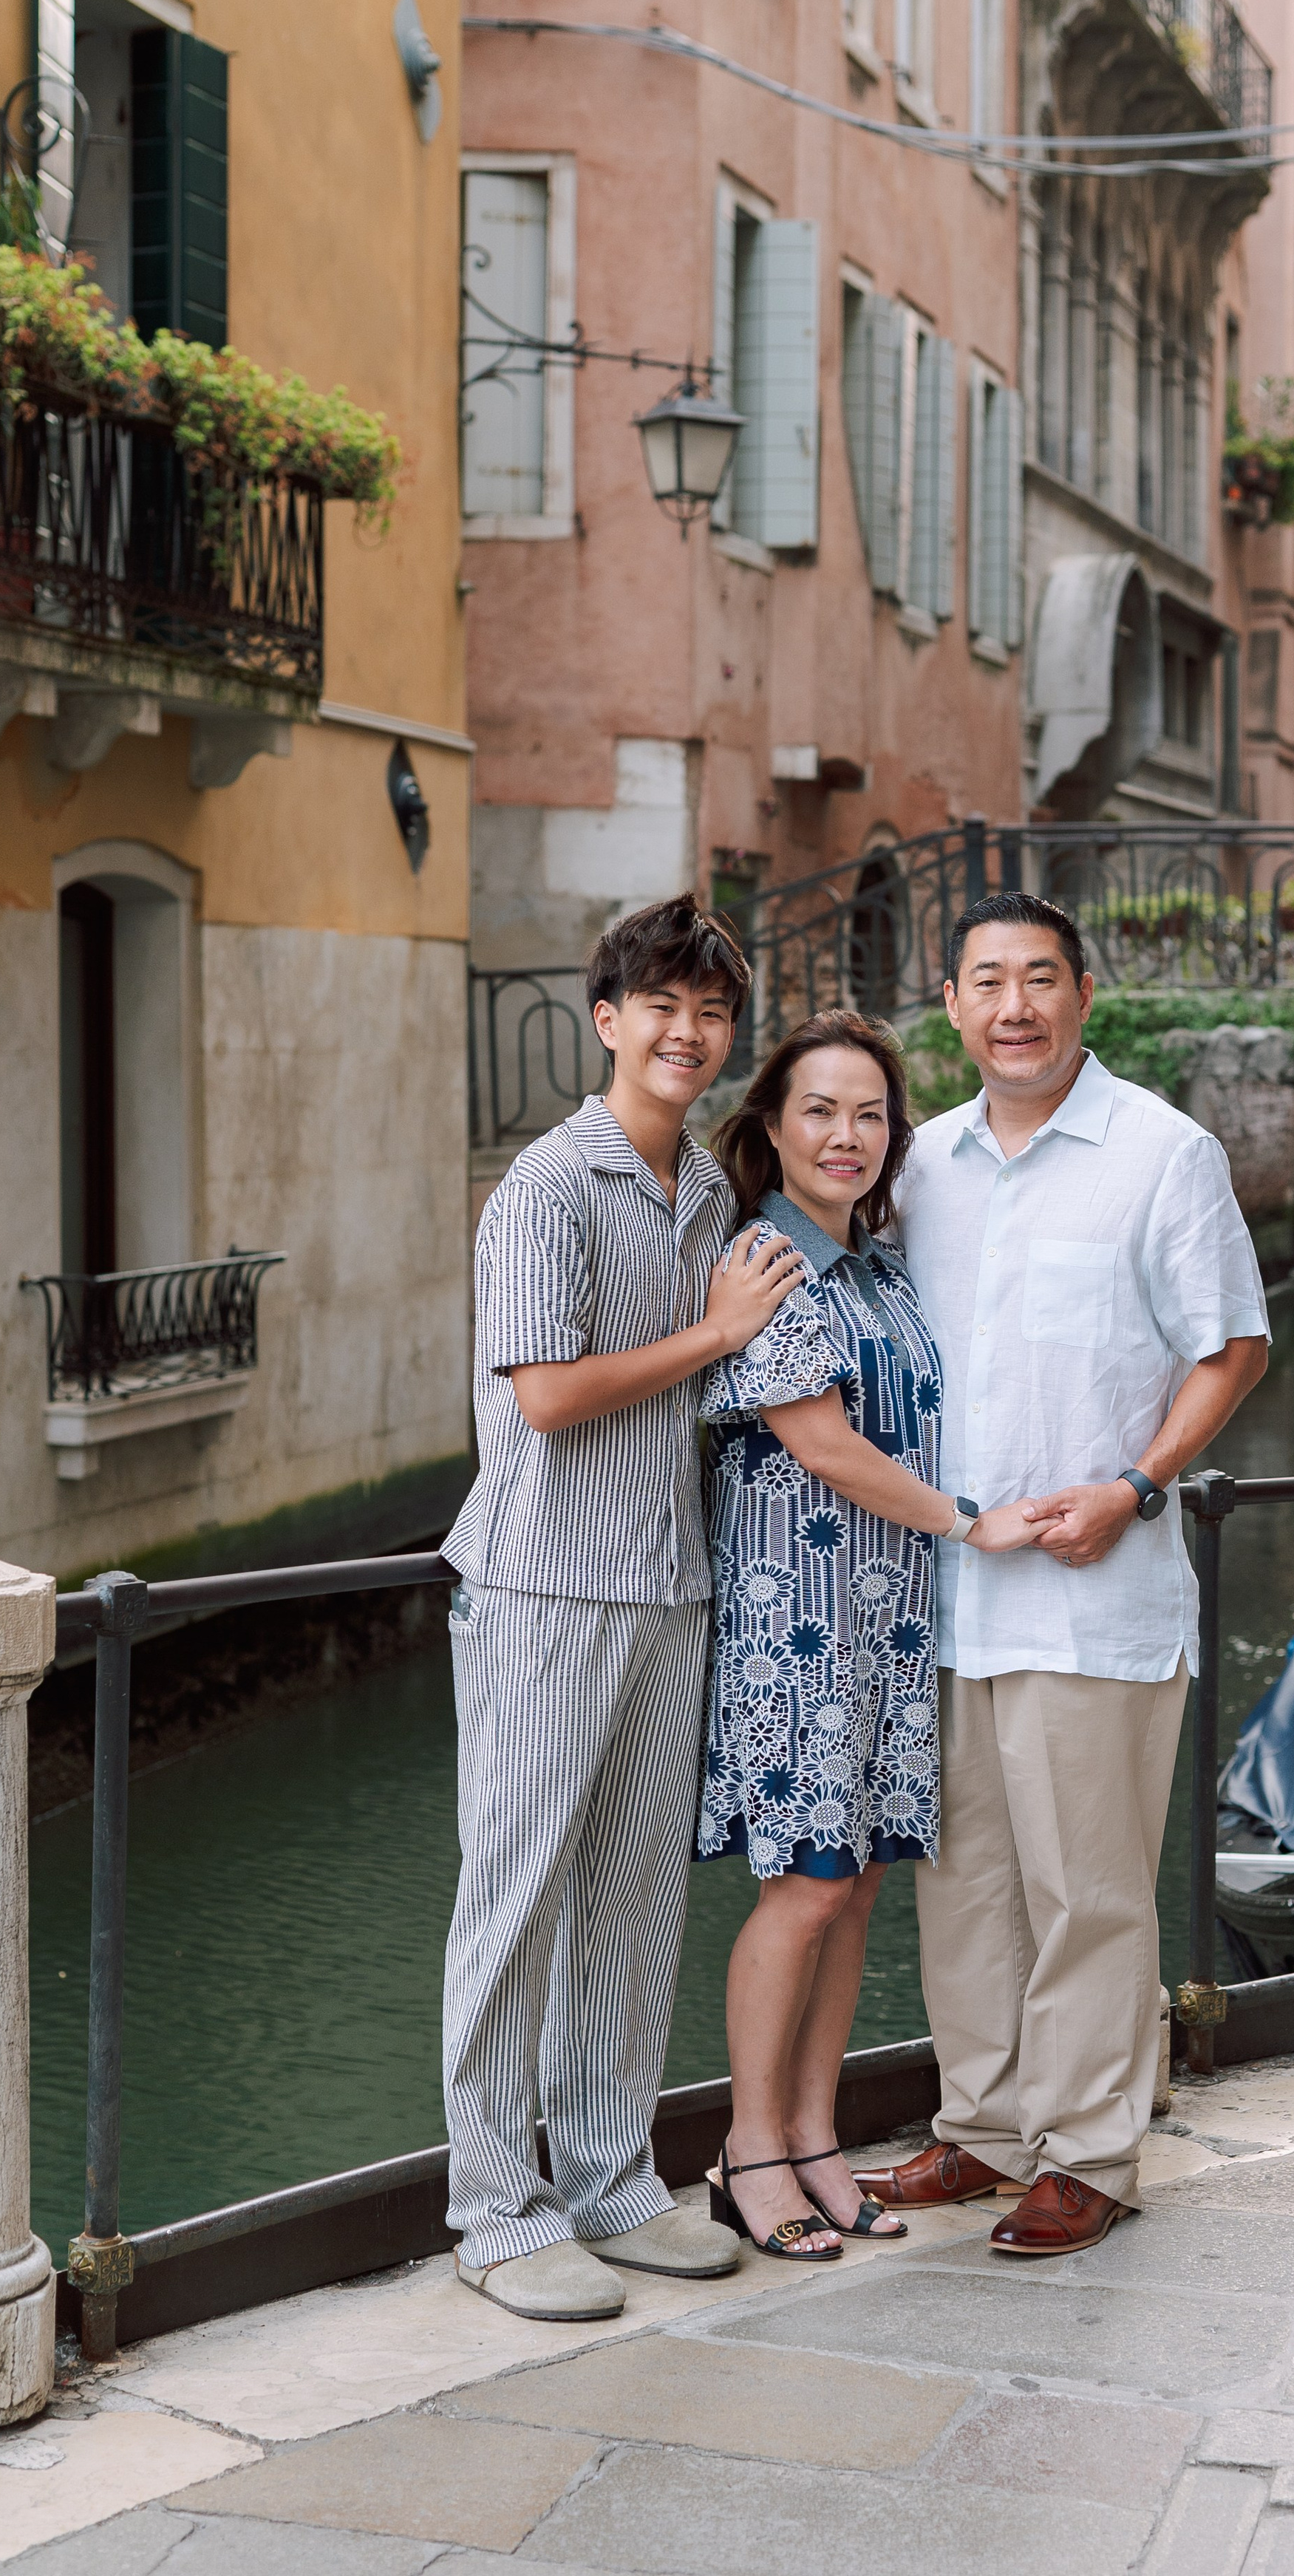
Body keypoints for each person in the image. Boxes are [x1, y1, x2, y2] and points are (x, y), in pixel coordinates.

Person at [854, 893, 1270, 2255]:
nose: (1014, 1006)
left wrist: (1139, 1485)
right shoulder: (916, 1166)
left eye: (1040, 978)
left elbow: (1231, 1348)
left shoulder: (1163, 1153)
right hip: (949, 1595)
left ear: (1085, 993)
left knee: (1088, 1892)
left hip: (1098, 1594)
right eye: (987, 982)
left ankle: (1088, 2150)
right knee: (962, 1884)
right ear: (954, 1004)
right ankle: (980, 2128)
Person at [440, 893, 807, 2324]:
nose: (687, 1031)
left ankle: (605, 2176)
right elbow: (540, 1397)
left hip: (669, 1586)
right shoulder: (544, 1186)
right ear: (607, 1020)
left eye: (710, 1012)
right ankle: (491, 2204)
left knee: (635, 1902)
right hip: (542, 1583)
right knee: (513, 1903)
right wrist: (715, 1333)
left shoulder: (710, 1194)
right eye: (660, 1005)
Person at [696, 1010, 1038, 2262]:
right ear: (773, 1128)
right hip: (797, 1627)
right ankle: (747, 2153)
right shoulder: (766, 1263)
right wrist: (974, 1522)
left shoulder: (881, 1267)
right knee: (809, 1885)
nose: (846, 1136)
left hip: (888, 1625)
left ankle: (815, 2141)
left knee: (863, 1881)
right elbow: (823, 1444)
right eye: (820, 1112)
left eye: (870, 1115)